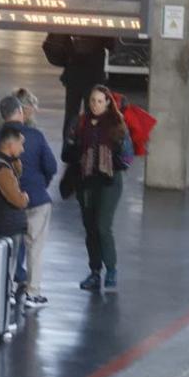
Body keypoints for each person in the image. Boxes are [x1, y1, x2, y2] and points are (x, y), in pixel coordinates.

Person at [0, 96, 58, 307]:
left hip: (7, 205)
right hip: (36, 199)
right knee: (34, 247)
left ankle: (5, 290)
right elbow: (51, 166)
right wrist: (39, 184)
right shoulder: (35, 135)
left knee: (9, 249)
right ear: (20, 112)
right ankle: (32, 293)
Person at [62, 87, 132, 293]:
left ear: (108, 103)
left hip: (109, 182)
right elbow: (67, 153)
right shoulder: (80, 123)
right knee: (90, 228)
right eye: (92, 100)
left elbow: (127, 157)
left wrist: (110, 159)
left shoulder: (117, 125)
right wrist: (75, 149)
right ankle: (95, 271)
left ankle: (111, 269)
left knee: (102, 225)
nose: (95, 105)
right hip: (86, 181)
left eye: (100, 101)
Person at [0, 125, 30, 294]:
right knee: (7, 269)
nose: (22, 149)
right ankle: (5, 300)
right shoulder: (2, 169)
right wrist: (24, 198)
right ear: (10, 145)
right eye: (20, 145)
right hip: (8, 225)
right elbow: (17, 200)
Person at [59, 36, 110, 144]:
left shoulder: (73, 21)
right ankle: (90, 145)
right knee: (93, 111)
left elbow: (61, 40)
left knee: (71, 112)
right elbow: (110, 44)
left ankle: (68, 145)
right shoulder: (100, 25)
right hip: (93, 74)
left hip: (74, 72)